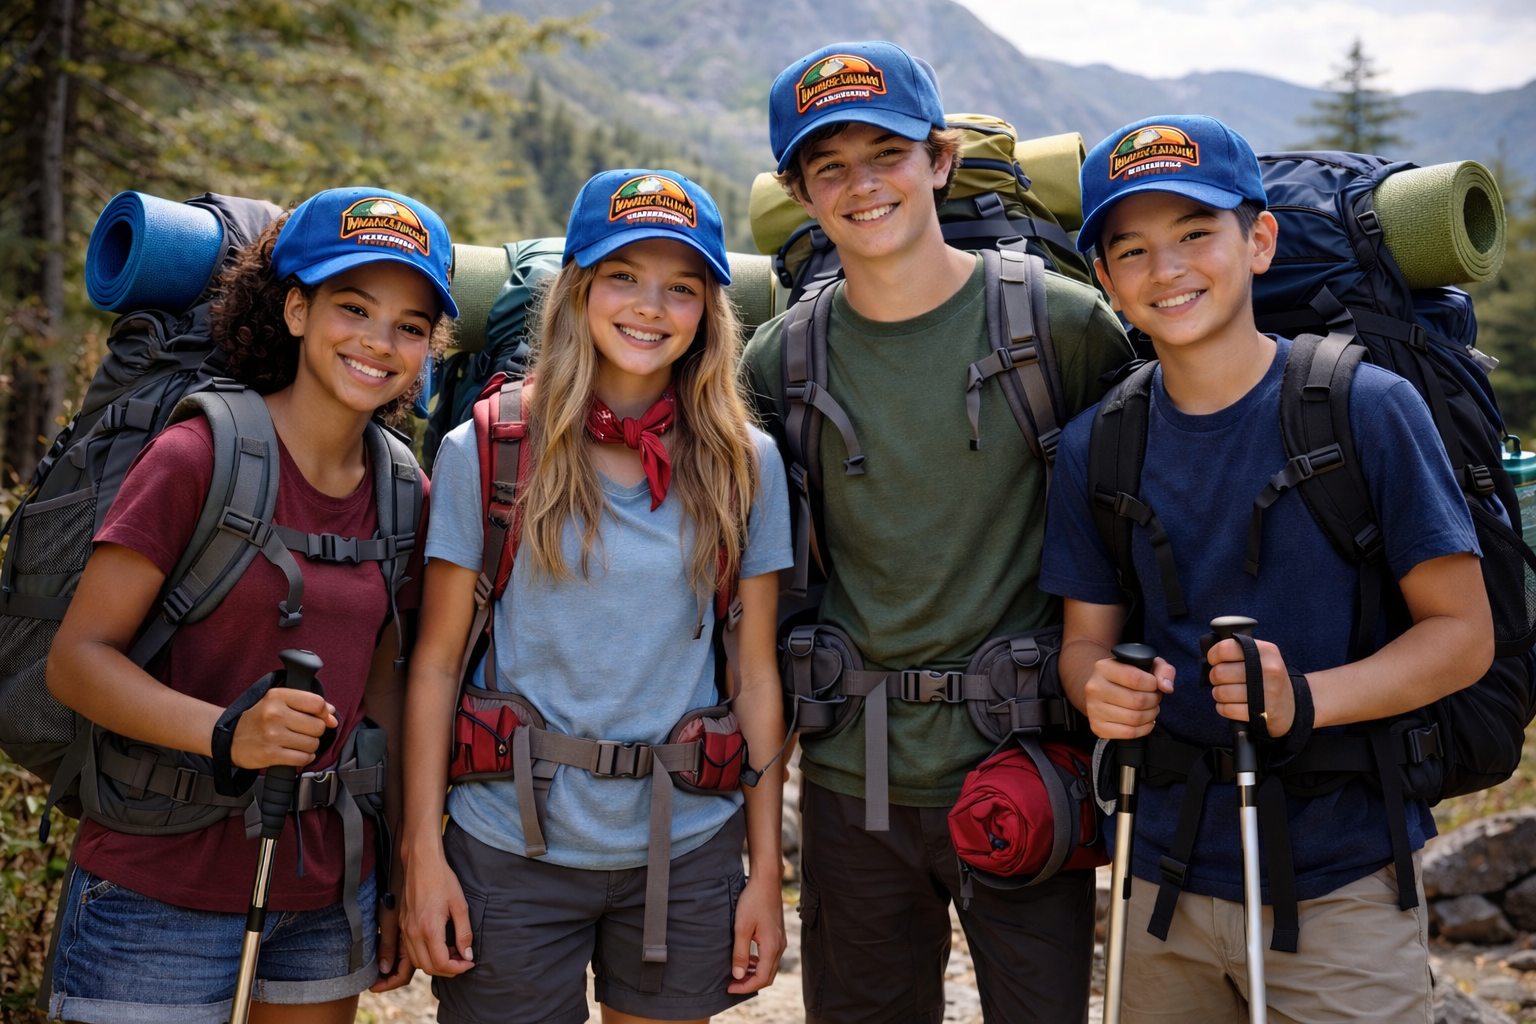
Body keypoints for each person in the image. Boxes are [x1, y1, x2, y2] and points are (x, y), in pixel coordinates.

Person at [1040, 114, 1494, 1022]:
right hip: (1157, 878)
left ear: (1259, 240)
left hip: (1342, 882)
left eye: (1196, 233)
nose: (1166, 270)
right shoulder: (1102, 444)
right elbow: (1082, 645)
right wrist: (1101, 688)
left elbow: (1463, 635)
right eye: (1131, 250)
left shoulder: (1365, 407)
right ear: (1103, 278)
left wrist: (1307, 700)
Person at [741, 40, 1134, 1023]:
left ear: (940, 160)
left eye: (888, 154)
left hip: (1026, 765)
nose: (862, 186)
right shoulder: (782, 360)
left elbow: (1140, 525)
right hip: (851, 780)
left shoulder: (1065, 327)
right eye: (829, 166)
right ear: (800, 191)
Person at [45, 185, 453, 1023]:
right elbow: (77, 662)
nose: (380, 342)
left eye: (411, 325)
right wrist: (228, 732)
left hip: (324, 887)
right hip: (153, 887)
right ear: (295, 310)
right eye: (352, 306)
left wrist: (395, 873)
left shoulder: (405, 490)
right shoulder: (196, 455)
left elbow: (384, 697)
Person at [399, 168, 792, 1024]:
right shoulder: (490, 448)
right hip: (507, 844)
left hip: (685, 848)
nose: (650, 308)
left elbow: (755, 677)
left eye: (681, 287)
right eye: (624, 277)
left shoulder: (744, 463)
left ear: (709, 312)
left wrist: (766, 872)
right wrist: (421, 854)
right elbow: (433, 668)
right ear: (576, 289)